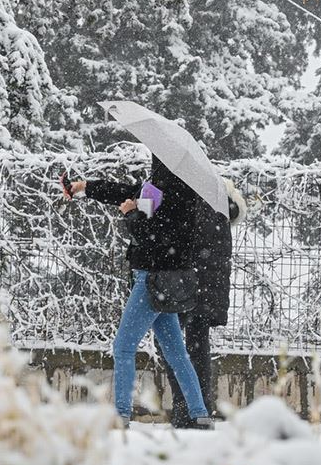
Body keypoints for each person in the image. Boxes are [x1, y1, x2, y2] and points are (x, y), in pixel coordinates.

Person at [63, 159, 214, 428]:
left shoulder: (179, 196)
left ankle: (120, 415)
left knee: (123, 346)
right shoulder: (169, 187)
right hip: (160, 283)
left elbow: (156, 237)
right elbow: (126, 192)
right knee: (177, 353)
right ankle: (200, 414)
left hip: (152, 280)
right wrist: (86, 187)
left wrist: (132, 215)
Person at [162, 178, 247, 428]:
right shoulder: (221, 200)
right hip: (207, 290)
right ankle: (201, 409)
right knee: (198, 349)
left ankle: (184, 409)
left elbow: (179, 242)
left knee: (173, 348)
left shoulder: (188, 194)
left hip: (182, 285)